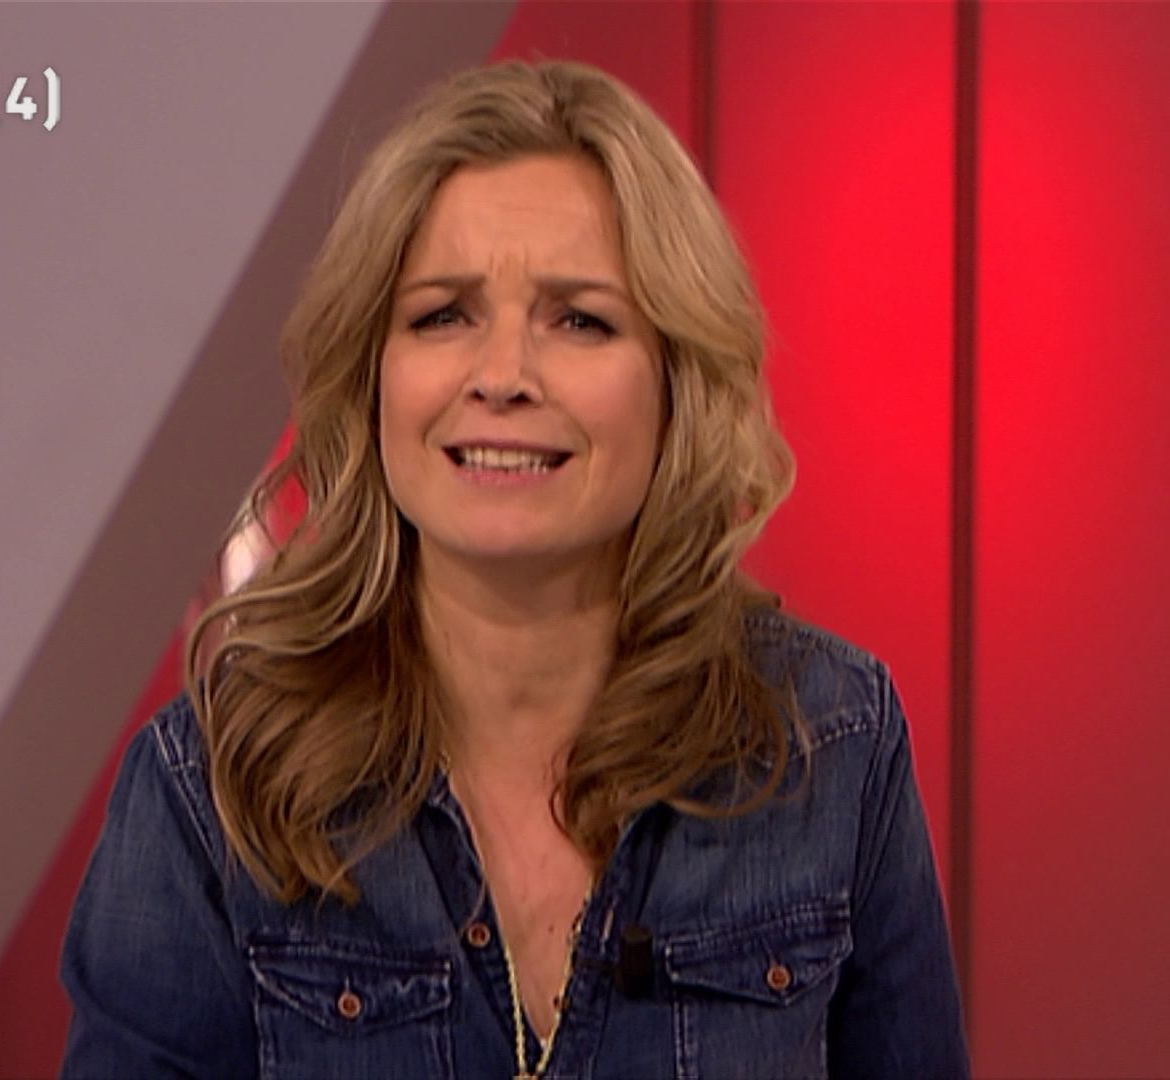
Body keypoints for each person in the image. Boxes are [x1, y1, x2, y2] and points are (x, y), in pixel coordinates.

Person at [60, 59, 968, 1080]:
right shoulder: (214, 789)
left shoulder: (831, 743)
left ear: (676, 380)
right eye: (442, 315)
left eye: (579, 319)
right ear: (373, 376)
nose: (501, 377)